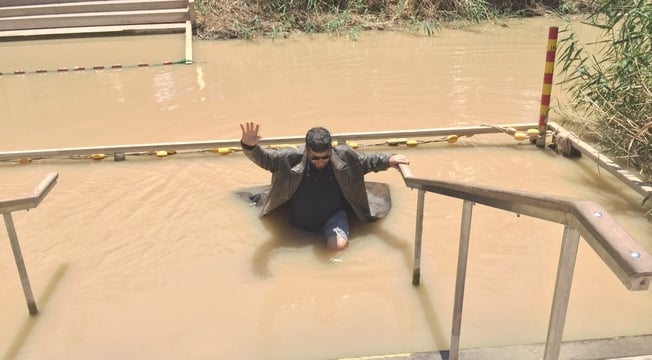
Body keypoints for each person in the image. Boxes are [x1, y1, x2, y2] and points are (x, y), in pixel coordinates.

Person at [239, 122, 410, 251]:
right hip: (301, 219)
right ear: (307, 150)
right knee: (292, 245)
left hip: (334, 216)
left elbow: (368, 161)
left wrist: (390, 159)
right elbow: (265, 158)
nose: (320, 161)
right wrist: (250, 146)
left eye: (325, 157)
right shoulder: (289, 158)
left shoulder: (345, 156)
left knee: (338, 247)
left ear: (331, 150)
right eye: (315, 158)